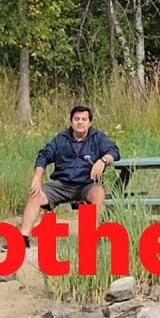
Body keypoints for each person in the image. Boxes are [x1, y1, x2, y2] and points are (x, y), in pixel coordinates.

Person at [16, 104, 120, 248]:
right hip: (62, 184)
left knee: (99, 193)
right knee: (35, 194)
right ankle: (23, 238)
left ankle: (90, 240)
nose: (80, 122)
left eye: (84, 119)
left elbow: (114, 152)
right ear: (71, 121)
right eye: (77, 119)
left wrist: (103, 160)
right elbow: (44, 156)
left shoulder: (98, 138)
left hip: (87, 184)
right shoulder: (61, 139)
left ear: (89, 122)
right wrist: (37, 177)